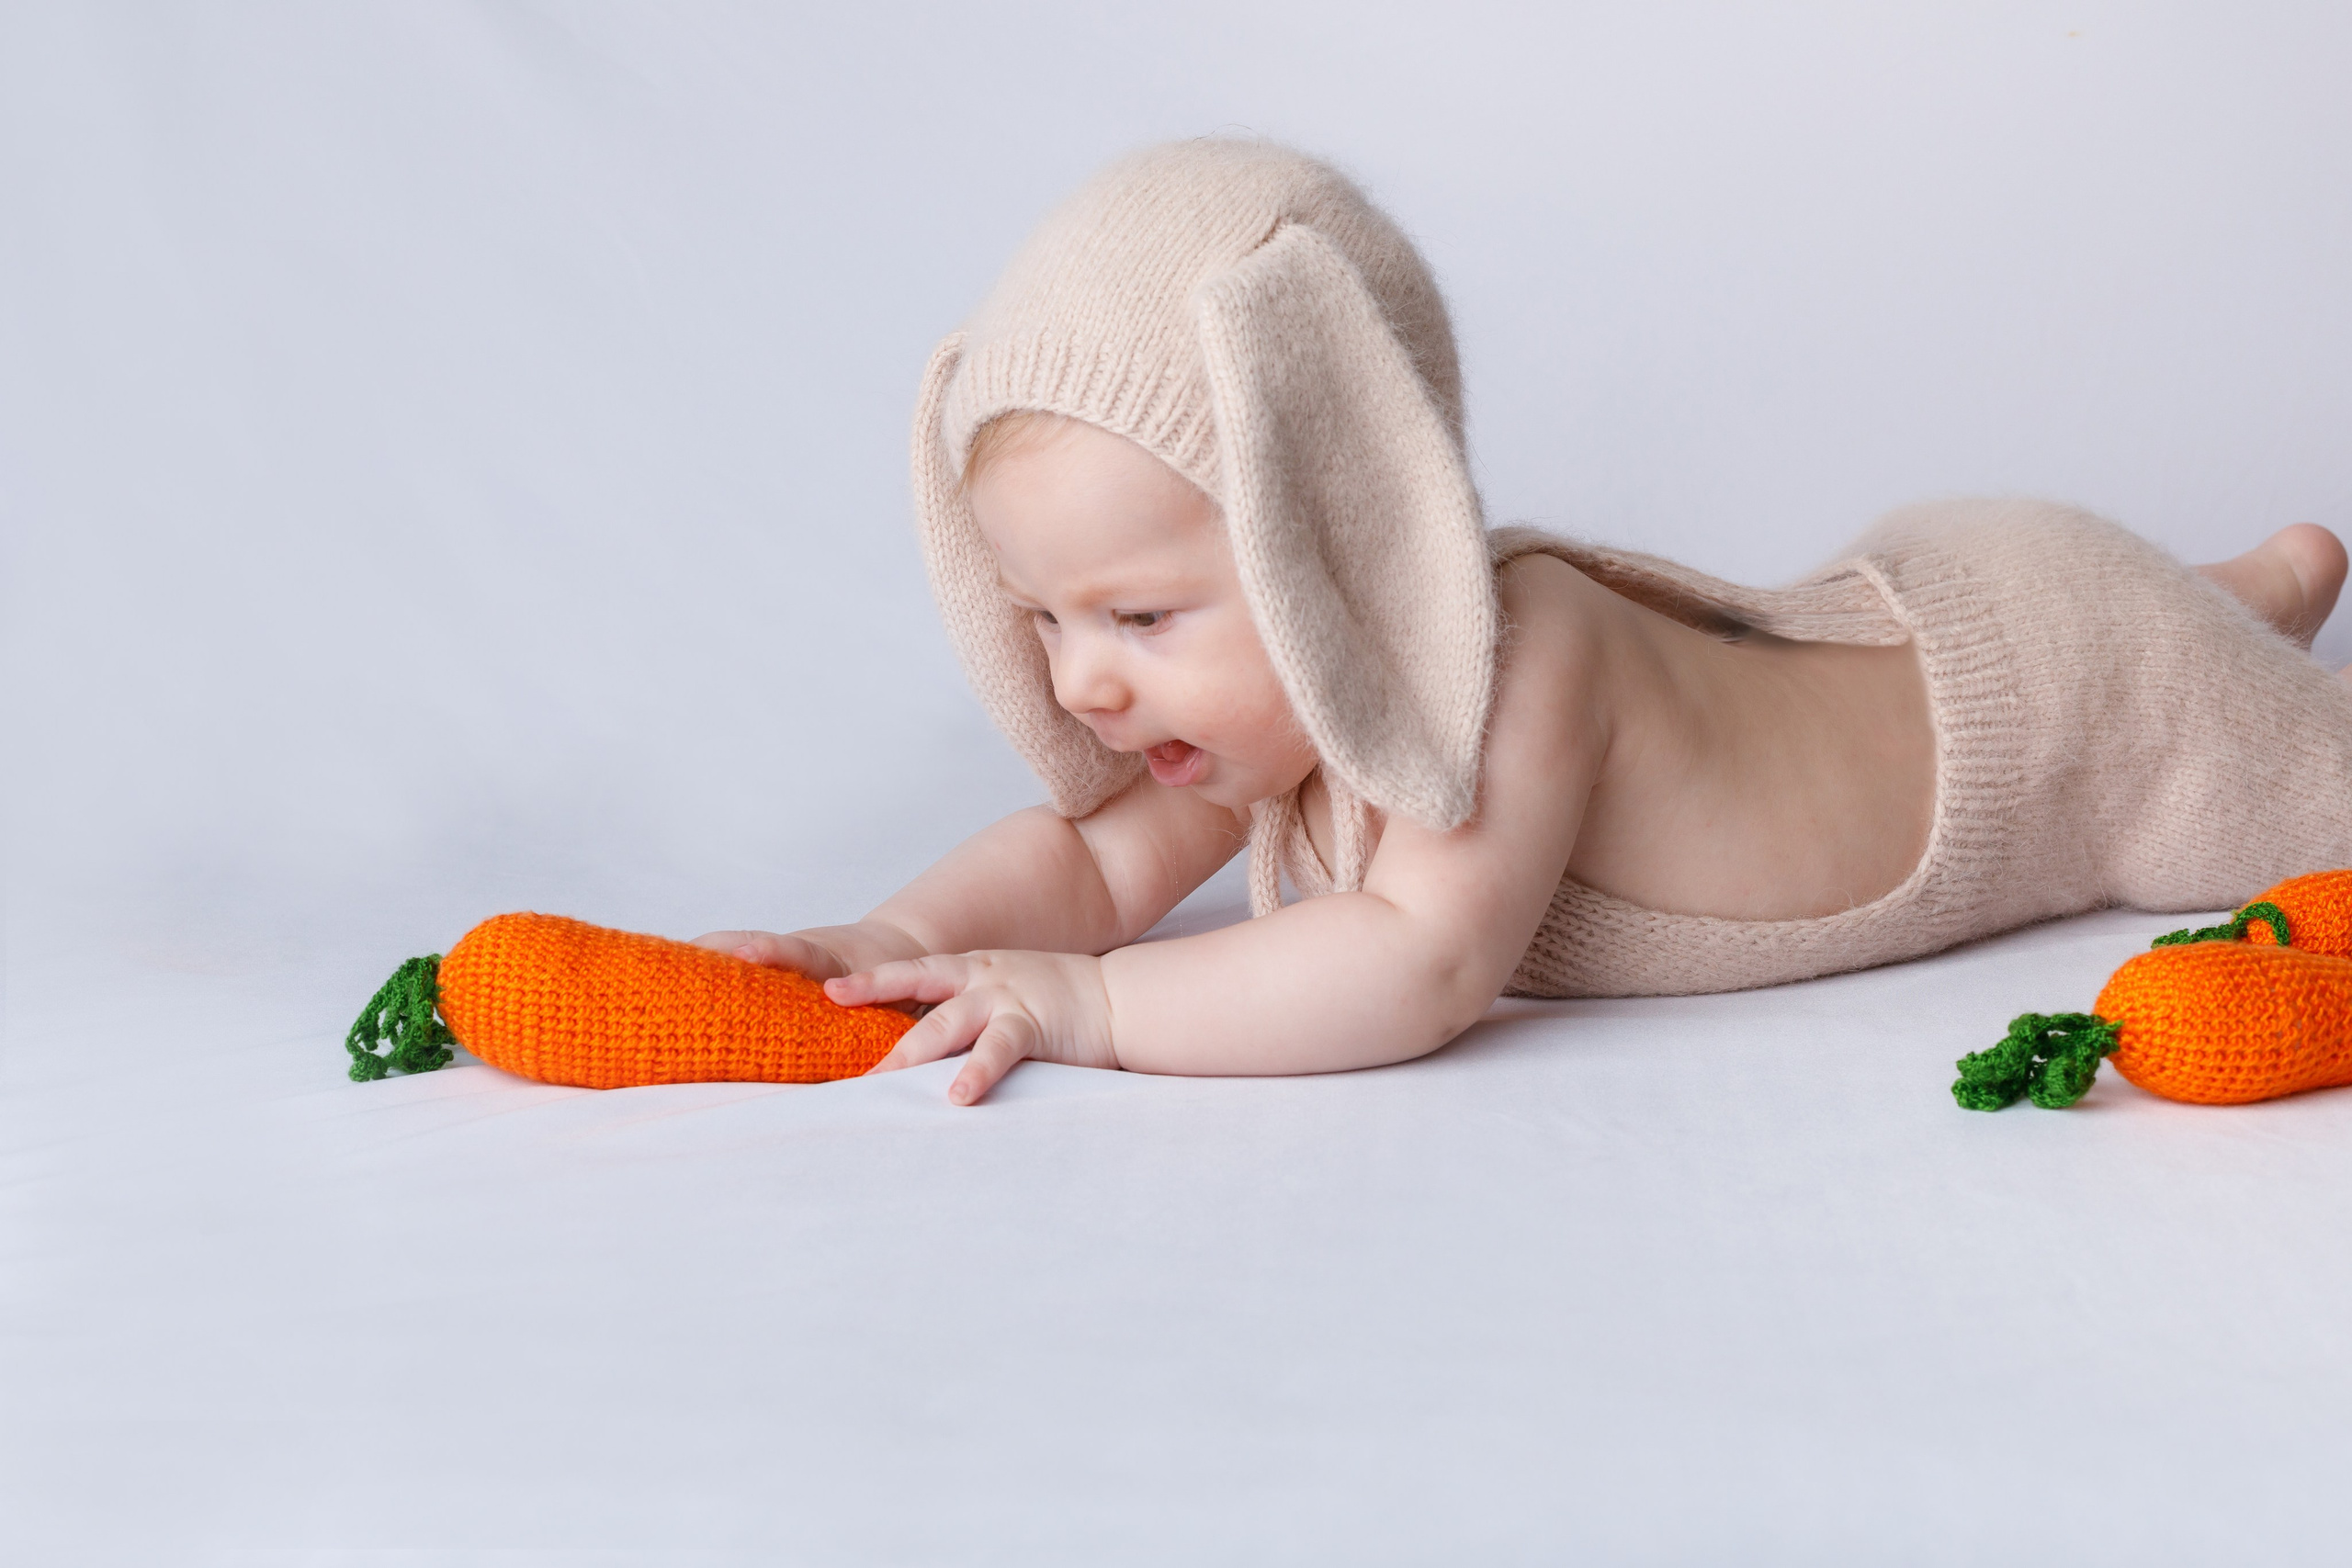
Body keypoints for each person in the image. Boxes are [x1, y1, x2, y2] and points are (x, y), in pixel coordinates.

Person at [697, 138, 2352, 1106]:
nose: (1090, 684)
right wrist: (895, 947)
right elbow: (1084, 865)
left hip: (2050, 714)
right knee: (2167, 616)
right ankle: (2247, 588)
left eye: (1137, 612)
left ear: (1332, 536)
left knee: (2248, 757)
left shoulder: (1522, 662)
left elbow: (1414, 964)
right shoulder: (1265, 706)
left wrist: (1093, 1012)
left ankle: (2247, 601)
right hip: (1929, 588)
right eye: (1046, 623)